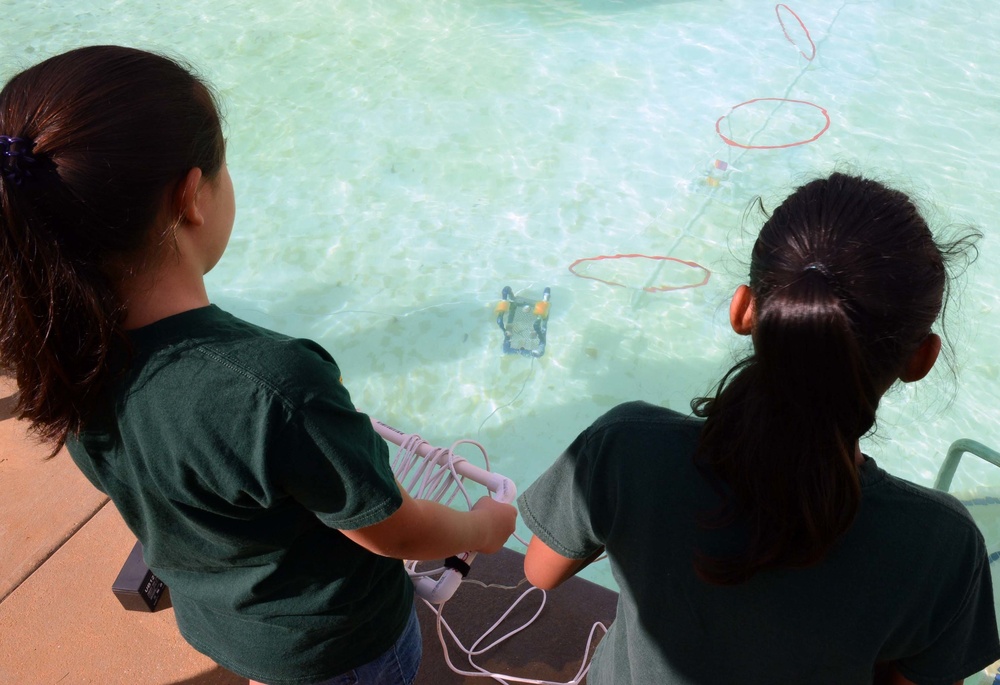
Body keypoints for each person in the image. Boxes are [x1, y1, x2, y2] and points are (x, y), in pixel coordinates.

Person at [0, 45, 516, 685]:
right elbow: (394, 534)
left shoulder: (55, 355)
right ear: (191, 196)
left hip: (228, 625)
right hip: (339, 649)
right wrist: (484, 528)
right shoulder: (273, 387)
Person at [518, 173, 1000, 685]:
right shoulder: (940, 546)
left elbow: (540, 571)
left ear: (744, 310)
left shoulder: (626, 445)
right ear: (921, 359)